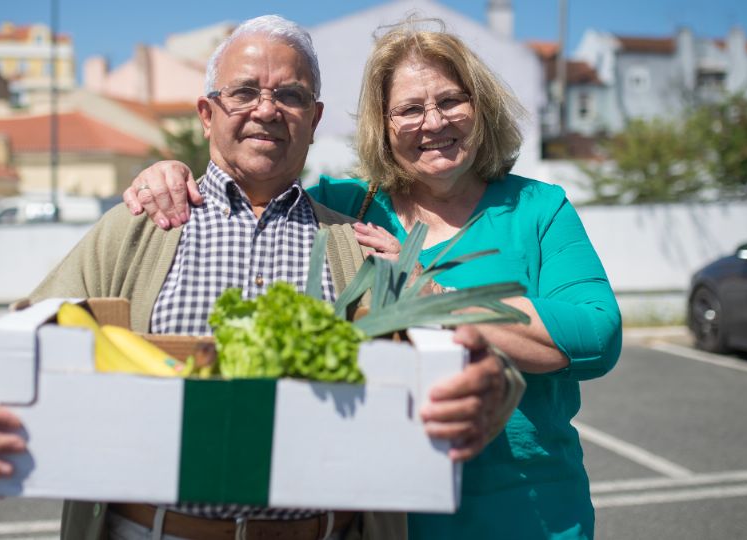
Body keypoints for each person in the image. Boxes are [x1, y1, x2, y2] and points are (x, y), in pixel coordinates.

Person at [0, 15, 435, 540]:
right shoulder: (138, 226)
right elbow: (19, 342)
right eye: (244, 92)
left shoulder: (356, 247)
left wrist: (487, 386)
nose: (266, 109)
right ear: (206, 114)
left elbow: (449, 372)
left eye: (290, 95)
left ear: (314, 120)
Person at [124, 20, 622, 540]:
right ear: (383, 127)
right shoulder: (347, 208)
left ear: (481, 106)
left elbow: (596, 335)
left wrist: (430, 294)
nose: (433, 122)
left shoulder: (536, 209)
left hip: (528, 513)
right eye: (409, 109)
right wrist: (170, 171)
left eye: (451, 100)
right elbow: (257, 184)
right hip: (386, 516)